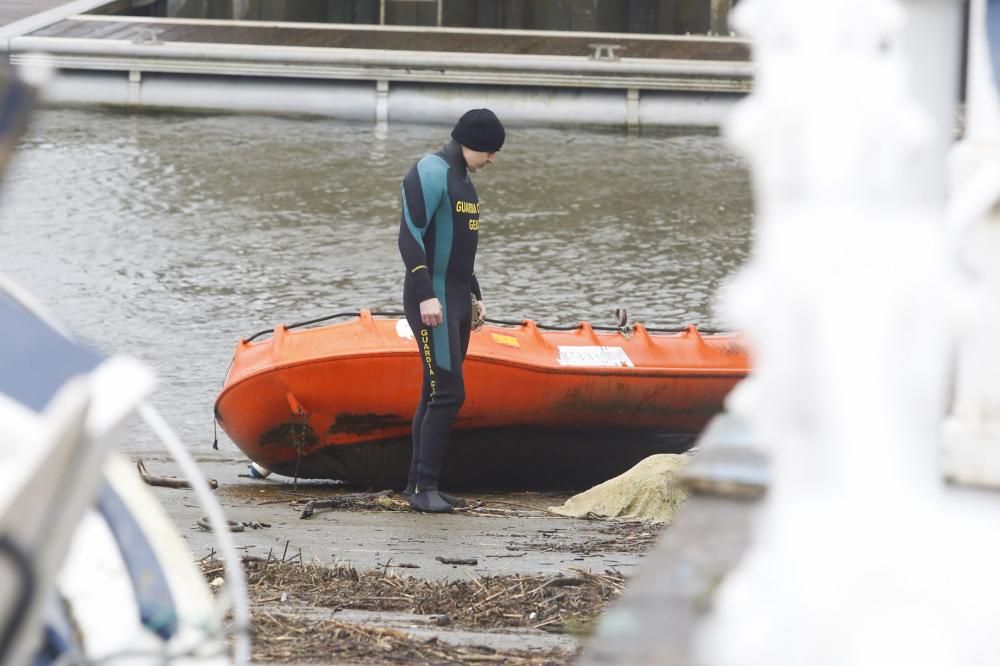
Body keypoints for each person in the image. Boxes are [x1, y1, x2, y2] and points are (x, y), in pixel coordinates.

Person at [397, 108, 505, 513]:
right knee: (448, 393)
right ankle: (426, 488)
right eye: (490, 151)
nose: (493, 159)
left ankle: (415, 484)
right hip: (433, 299)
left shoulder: (463, 180)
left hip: (456, 298)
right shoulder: (430, 171)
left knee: (434, 391)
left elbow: (460, 247)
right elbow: (410, 236)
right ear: (470, 142)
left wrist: (476, 294)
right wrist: (425, 293)